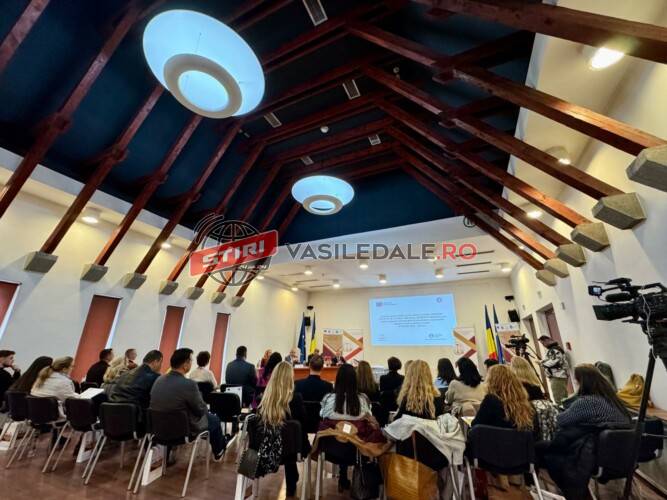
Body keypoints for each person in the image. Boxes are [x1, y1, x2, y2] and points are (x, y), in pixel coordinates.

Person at [543, 365, 631, 499]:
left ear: (581, 382)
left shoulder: (587, 402)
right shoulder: (616, 401)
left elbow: (561, 420)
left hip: (595, 457)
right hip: (622, 457)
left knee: (543, 450)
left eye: (576, 381)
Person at [150, 348, 226, 460]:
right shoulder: (189, 384)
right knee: (214, 420)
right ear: (185, 364)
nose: (191, 363)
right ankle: (219, 451)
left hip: (159, 428)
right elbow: (201, 410)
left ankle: (168, 454)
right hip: (182, 429)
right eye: (190, 360)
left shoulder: (158, 380)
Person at [256, 361, 309, 497]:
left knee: (285, 435)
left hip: (267, 448)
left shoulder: (263, 400)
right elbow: (304, 425)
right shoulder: (296, 399)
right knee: (291, 437)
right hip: (292, 450)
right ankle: (291, 484)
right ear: (290, 378)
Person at [320, 363, 372, 491]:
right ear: (355, 380)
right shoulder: (363, 400)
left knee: (341, 433)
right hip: (357, 451)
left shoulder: (328, 399)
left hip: (331, 450)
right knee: (351, 434)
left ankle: (342, 475)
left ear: (337, 379)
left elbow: (322, 416)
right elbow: (369, 418)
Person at [472, 364, 535, 431]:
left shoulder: (490, 401)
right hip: (521, 437)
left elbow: (475, 426)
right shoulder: (526, 404)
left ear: (491, 382)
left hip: (496, 437)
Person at [538, 336, 569, 404]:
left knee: (559, 400)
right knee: (563, 399)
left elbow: (553, 362)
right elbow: (552, 359)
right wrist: (542, 361)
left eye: (543, 343)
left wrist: (541, 363)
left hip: (557, 377)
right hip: (558, 376)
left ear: (547, 340)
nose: (543, 345)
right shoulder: (554, 349)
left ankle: (564, 411)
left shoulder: (554, 350)